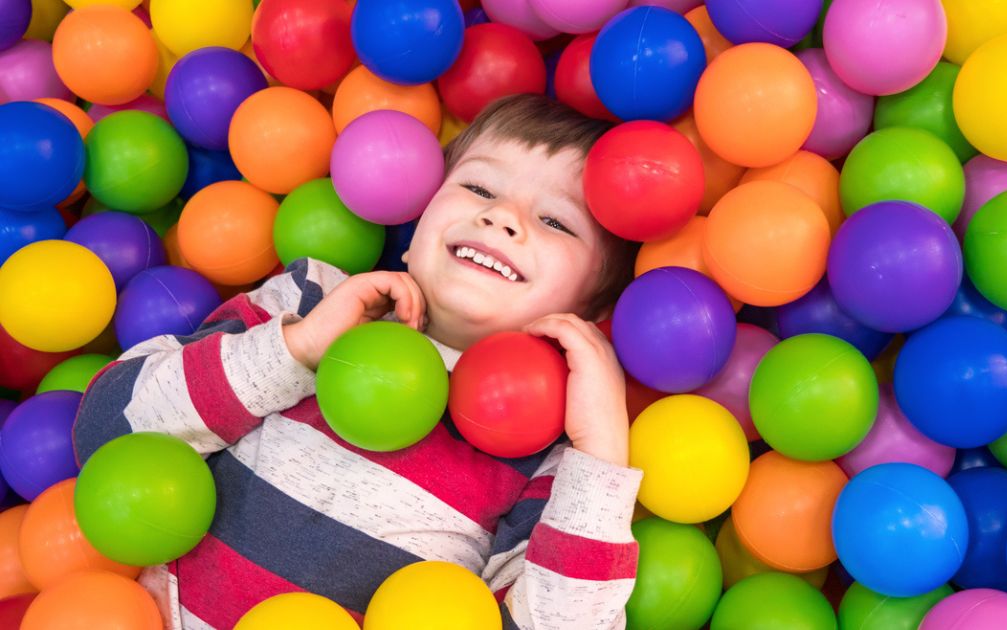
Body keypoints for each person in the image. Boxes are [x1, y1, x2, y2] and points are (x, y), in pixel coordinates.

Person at [73, 94, 643, 630]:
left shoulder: (554, 452)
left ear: (595, 306)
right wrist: (296, 348)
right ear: (419, 215)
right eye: (478, 187)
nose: (503, 217)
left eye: (555, 221)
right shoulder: (310, 300)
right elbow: (107, 427)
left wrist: (601, 459)